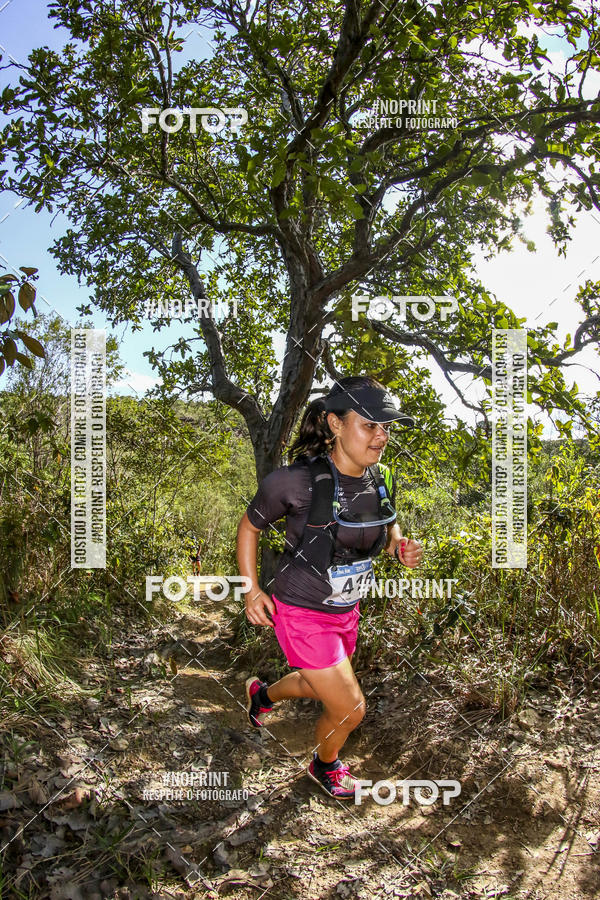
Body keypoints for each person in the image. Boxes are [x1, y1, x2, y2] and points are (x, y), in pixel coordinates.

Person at [236, 375, 423, 800]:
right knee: (350, 707)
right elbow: (249, 528)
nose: (381, 436)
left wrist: (399, 546)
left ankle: (262, 695)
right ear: (335, 424)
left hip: (346, 609)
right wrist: (251, 590)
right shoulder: (293, 482)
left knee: (313, 681)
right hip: (301, 610)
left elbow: (388, 521)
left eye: (386, 427)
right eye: (369, 425)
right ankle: (325, 764)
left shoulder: (382, 478)